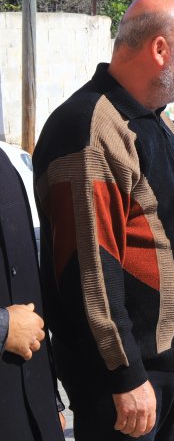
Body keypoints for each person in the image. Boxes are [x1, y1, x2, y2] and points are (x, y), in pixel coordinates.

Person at [33, 0, 174, 440]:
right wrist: (124, 373)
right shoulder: (89, 127)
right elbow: (88, 268)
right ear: (160, 49)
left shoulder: (153, 120)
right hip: (129, 382)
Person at [1, 150, 65, 441]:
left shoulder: (5, 164)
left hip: (31, 409)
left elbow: (29, 290)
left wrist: (51, 399)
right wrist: (4, 327)